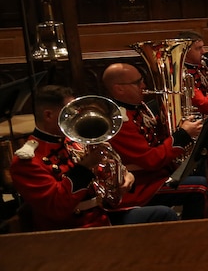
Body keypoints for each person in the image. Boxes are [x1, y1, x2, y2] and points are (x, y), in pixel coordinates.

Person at [10, 85, 178, 230]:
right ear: (48, 115)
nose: (78, 116)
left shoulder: (72, 141)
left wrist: (126, 176)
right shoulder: (28, 161)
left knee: (164, 214)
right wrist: (84, 168)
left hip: (103, 216)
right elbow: (57, 208)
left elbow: (105, 175)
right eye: (71, 112)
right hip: (72, 232)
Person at [102, 63, 208, 218]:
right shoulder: (118, 121)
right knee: (199, 188)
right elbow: (150, 160)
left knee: (205, 161)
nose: (144, 85)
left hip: (157, 175)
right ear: (119, 89)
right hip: (141, 186)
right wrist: (182, 135)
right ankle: (191, 236)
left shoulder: (138, 107)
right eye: (138, 82)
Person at [178, 29, 208, 116]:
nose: (204, 51)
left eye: (203, 47)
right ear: (185, 51)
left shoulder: (200, 66)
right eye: (199, 48)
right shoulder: (180, 74)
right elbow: (204, 104)